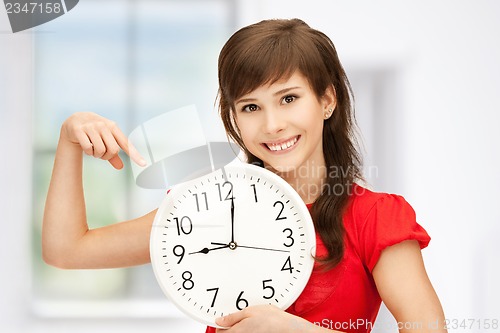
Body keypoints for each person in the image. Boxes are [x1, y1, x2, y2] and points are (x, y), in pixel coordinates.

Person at [42, 18, 447, 333]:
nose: (272, 125)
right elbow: (67, 250)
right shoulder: (206, 209)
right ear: (233, 117)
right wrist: (68, 140)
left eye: (288, 99)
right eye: (250, 107)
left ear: (327, 100)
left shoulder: (376, 218)